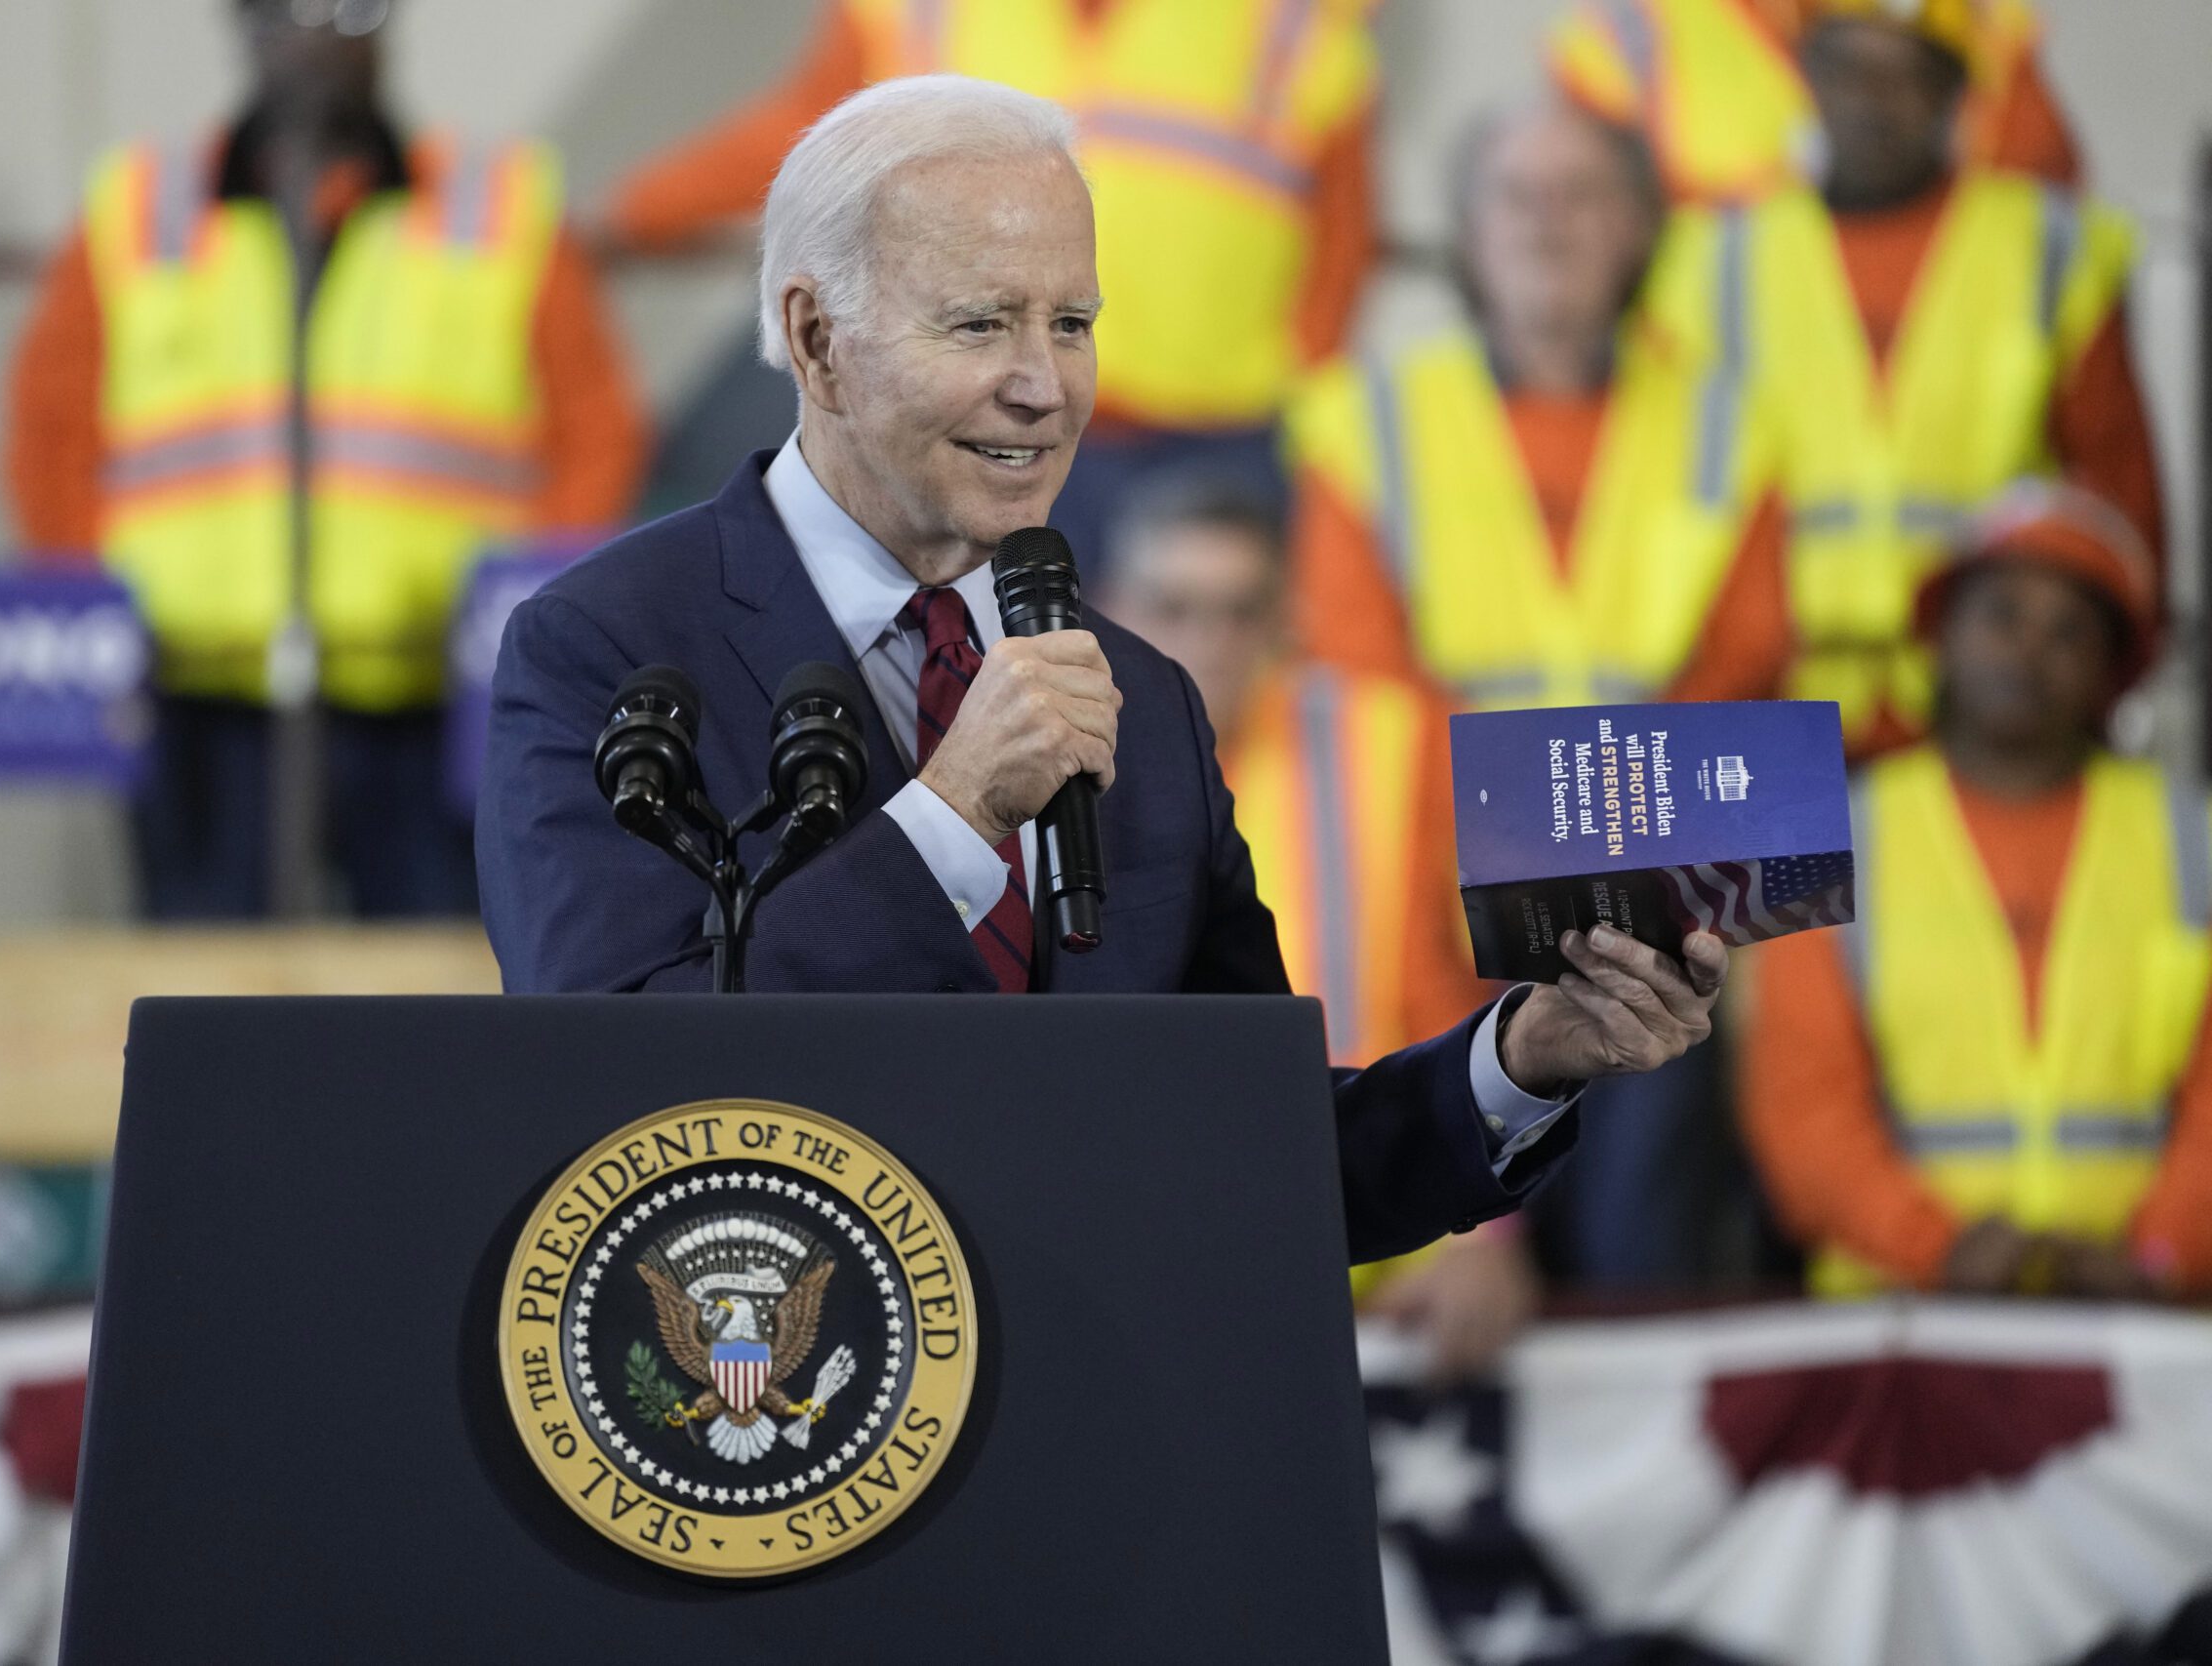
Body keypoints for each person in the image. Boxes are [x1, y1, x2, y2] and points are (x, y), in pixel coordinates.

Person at [479, 77, 1730, 1276]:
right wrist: (953, 818)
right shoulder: (600, 647)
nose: (1045, 385)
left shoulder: (1143, 694)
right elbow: (617, 1087)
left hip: (1091, 1424)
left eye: (1070, 323)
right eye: (980, 323)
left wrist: (1521, 1058)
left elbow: (1249, 1146)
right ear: (816, 340)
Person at [5, 0, 648, 919]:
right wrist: (97, 620)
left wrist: (533, 627)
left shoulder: (498, 205)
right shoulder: (142, 206)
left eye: (353, 13)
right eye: (288, 13)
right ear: (244, 28)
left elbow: (594, 432)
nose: (319, 38)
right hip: (198, 690)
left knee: (444, 995)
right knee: (210, 1001)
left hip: (437, 697)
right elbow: (50, 434)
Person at [598, 0, 1385, 575]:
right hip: (978, 440)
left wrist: (1295, 392)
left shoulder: (1299, 25)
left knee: (1185, 732)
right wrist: (630, 218)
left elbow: (1340, 252)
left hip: (1212, 453)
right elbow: (803, 139)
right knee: (970, 711)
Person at [1096, 479, 1533, 1372]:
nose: (1208, 643)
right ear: (1109, 612)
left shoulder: (1387, 744)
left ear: (1284, 618)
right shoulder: (1038, 761)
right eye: (1175, 608)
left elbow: (1450, 1002)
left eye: (1238, 610)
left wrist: (1482, 1239)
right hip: (1121, 1248)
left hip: (1366, 1247)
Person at [1645, 0, 2159, 756]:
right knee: (1789, 882)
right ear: (1807, 77)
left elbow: (2116, 497)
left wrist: (2098, 690)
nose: (1872, 99)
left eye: (1908, 75)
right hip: (1764, 701)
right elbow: (1652, 486)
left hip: (1986, 709)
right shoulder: (1707, 260)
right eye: (1849, 68)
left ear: (1958, 93)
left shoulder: (2049, 250)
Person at [1742, 482, 2212, 1299]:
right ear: (1943, 636)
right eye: (2002, 614)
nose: (2029, 650)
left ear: (2110, 672)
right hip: (1897, 1326)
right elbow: (1800, 1113)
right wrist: (1936, 1246)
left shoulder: (2191, 838)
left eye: (2068, 630)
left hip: (2142, 1322)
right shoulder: (1826, 842)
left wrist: (2158, 1259)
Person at [1287, 96, 1789, 714]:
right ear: (1470, 234)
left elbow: (1749, 657)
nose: (1545, 223)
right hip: (1443, 809)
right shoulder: (1359, 421)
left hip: (1660, 804)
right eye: (1515, 196)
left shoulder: (1728, 429)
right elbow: (1358, 663)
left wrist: (1606, 789)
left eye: (1578, 194)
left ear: (1635, 226)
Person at [1547, 0, 2078, 205]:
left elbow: (2042, 251)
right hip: (1710, 423)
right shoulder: (1629, 39)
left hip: (1924, 420)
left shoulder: (1969, 23)